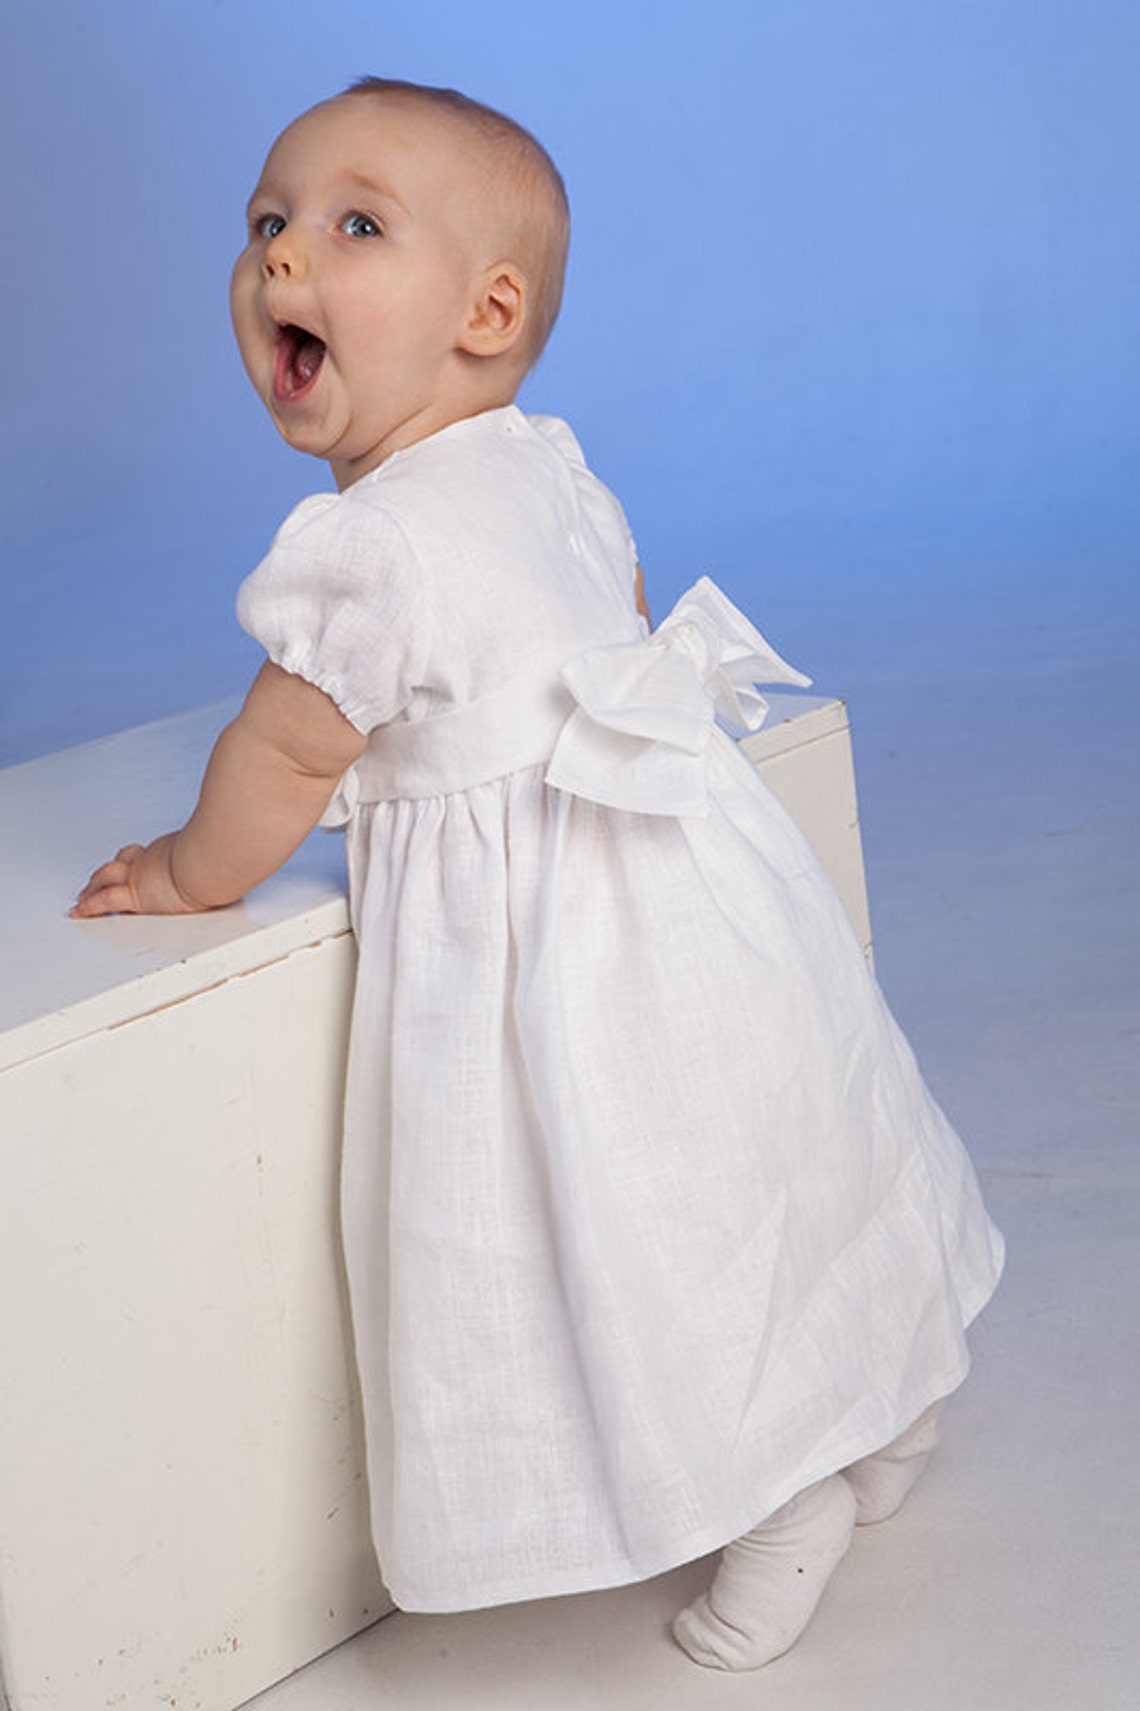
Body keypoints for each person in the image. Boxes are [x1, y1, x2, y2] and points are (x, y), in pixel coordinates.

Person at [73, 77, 1004, 1672]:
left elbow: (280, 759)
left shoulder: (365, 552)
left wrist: (180, 871)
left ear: (486, 312)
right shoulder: (550, 463)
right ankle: (892, 1398)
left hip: (561, 942)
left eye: (353, 226)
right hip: (697, 871)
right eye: (268, 221)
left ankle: (780, 1490)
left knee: (636, 1217)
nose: (283, 254)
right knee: (780, 1144)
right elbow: (612, 614)